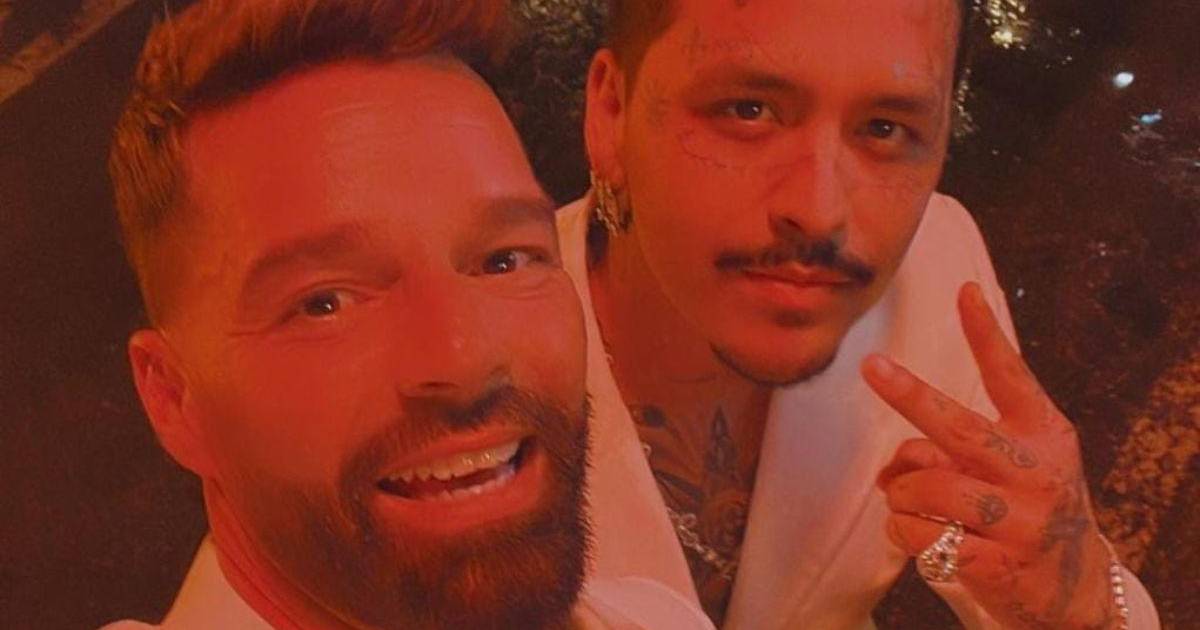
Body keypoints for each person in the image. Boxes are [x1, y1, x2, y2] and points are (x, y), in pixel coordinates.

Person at [102, 1, 711, 628]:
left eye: (504, 261)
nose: (463, 359)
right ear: (173, 398)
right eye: (325, 303)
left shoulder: (657, 617)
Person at [566, 0, 1162, 628]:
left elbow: (1026, 574)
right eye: (748, 110)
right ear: (612, 112)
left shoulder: (936, 267)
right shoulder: (501, 363)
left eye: (883, 128)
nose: (820, 212)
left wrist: (1084, 604)